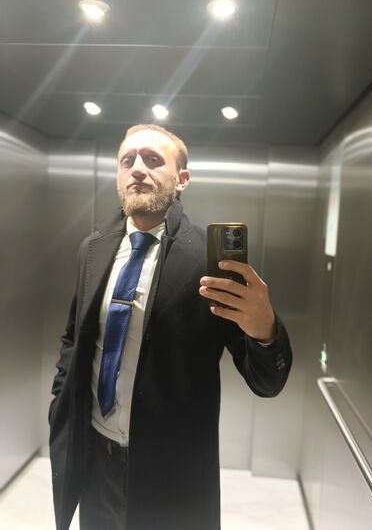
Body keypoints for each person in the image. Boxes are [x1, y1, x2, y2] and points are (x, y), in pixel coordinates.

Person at [49, 124, 292, 530]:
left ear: (182, 179)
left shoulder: (207, 262)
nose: (137, 168)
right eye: (127, 160)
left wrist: (265, 330)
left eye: (152, 159)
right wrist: (59, 404)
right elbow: (74, 339)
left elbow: (266, 382)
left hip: (171, 475)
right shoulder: (93, 249)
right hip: (94, 464)